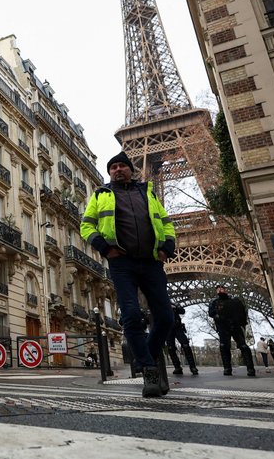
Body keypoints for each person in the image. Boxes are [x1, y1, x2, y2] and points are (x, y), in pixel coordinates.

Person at [81, 151, 176, 398]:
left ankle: (148, 358)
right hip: (121, 262)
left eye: (123, 166)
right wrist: (104, 247)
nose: (118, 169)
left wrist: (167, 248)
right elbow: (86, 225)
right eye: (113, 167)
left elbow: (165, 223)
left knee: (166, 317)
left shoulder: (148, 192)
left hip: (151, 261)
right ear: (109, 172)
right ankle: (149, 370)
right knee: (131, 316)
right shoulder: (101, 195)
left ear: (131, 170)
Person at [209, 284, 256, 377]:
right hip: (223, 326)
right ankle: (227, 368)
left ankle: (250, 368)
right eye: (218, 289)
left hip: (235, 325)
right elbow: (211, 313)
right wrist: (217, 317)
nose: (220, 290)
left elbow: (242, 312)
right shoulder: (214, 302)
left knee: (243, 346)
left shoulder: (235, 301)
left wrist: (242, 323)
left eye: (222, 288)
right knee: (224, 346)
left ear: (226, 290)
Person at [166, 304, 199, 376]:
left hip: (178, 327)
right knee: (171, 348)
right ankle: (177, 367)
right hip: (168, 329)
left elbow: (182, 311)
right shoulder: (159, 304)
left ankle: (193, 367)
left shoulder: (173, 304)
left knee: (186, 345)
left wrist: (175, 307)